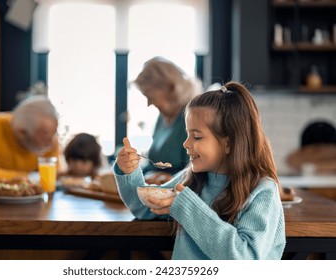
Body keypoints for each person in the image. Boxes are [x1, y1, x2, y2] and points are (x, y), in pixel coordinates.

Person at [114, 81, 286, 260]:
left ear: (228, 143)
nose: (186, 143)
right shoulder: (191, 178)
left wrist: (186, 207)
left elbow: (245, 258)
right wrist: (128, 172)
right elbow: (144, 208)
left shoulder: (262, 191)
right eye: (188, 134)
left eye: (196, 136)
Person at [133, 57, 202, 177]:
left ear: (170, 89)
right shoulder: (161, 118)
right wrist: (130, 172)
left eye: (150, 96)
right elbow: (152, 165)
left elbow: (196, 171)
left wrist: (165, 178)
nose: (149, 103)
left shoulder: (192, 118)